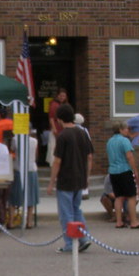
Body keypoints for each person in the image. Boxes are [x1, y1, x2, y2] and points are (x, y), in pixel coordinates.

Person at [46, 103, 93, 253]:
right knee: (77, 210)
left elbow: (57, 161)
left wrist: (51, 182)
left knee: (66, 213)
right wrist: (87, 176)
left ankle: (69, 243)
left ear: (59, 119)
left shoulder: (63, 136)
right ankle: (83, 238)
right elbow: (89, 156)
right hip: (80, 178)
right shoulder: (82, 133)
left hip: (66, 179)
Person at [106, 121, 139, 229]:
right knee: (131, 196)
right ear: (121, 130)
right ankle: (134, 221)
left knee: (119, 197)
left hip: (113, 171)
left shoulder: (109, 141)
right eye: (126, 128)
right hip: (124, 170)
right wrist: (135, 170)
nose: (128, 130)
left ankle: (119, 221)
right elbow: (129, 156)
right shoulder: (124, 140)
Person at [10, 127, 40, 227]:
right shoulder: (34, 141)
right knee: (30, 196)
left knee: (14, 196)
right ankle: (29, 221)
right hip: (31, 169)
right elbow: (36, 155)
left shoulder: (15, 139)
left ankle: (11, 221)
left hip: (18, 169)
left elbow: (12, 151)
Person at [46, 88, 70, 165]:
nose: (62, 97)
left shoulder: (66, 105)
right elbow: (51, 118)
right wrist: (54, 129)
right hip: (56, 128)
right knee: (53, 147)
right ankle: (53, 164)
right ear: (57, 96)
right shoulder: (54, 104)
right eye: (61, 95)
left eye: (64, 96)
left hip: (64, 129)